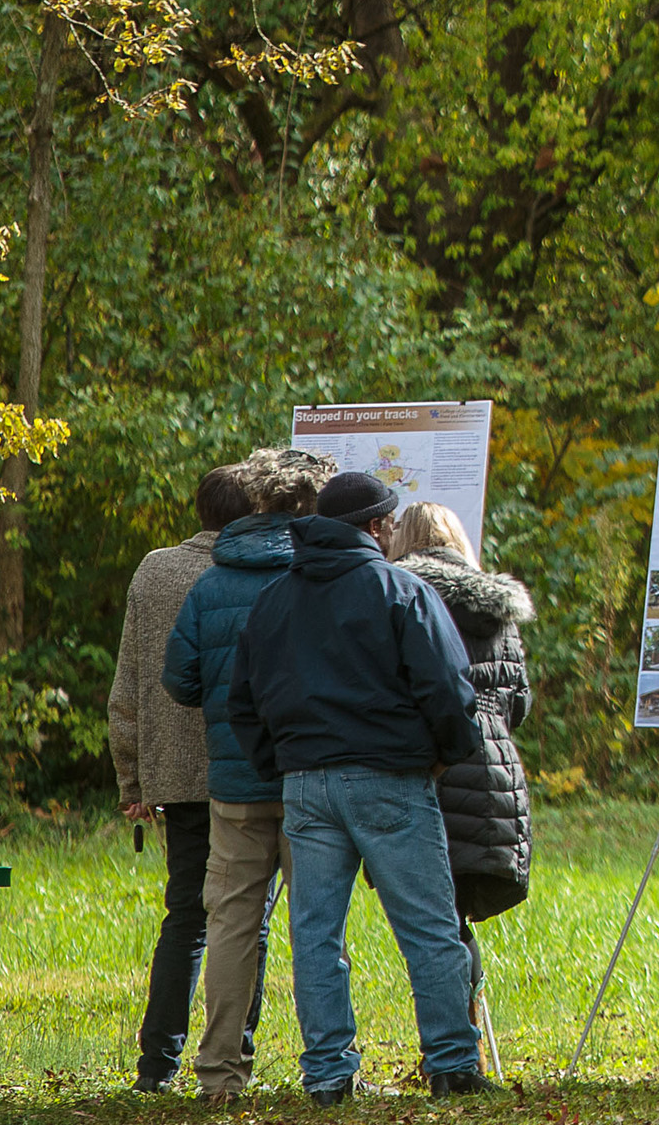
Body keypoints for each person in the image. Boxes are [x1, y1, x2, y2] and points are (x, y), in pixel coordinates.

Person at [229, 470, 496, 1103]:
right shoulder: (399, 590)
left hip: (305, 785)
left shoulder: (273, 598)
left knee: (316, 935)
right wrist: (444, 757)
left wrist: (280, 763)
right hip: (391, 778)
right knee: (428, 928)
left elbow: (242, 701)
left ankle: (327, 1075)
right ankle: (452, 1064)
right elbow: (449, 691)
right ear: (377, 528)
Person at [165, 447, 332, 1105]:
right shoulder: (317, 578)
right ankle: (327, 1067)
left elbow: (179, 680)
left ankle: (219, 1075)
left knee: (232, 924)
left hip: (235, 782)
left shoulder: (210, 584)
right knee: (315, 921)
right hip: (306, 775)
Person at [111, 462, 254, 1093]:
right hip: (244, 769)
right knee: (247, 919)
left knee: (186, 918)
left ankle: (156, 1065)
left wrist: (131, 779)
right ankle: (233, 1054)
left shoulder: (154, 569)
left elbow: (128, 686)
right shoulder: (257, 570)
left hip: (174, 774)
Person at [386, 503, 536, 1030]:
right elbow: (519, 702)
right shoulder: (497, 605)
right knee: (454, 918)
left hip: (426, 768)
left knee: (434, 921)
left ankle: (452, 1042)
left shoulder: (395, 593)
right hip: (493, 770)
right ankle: (462, 1030)